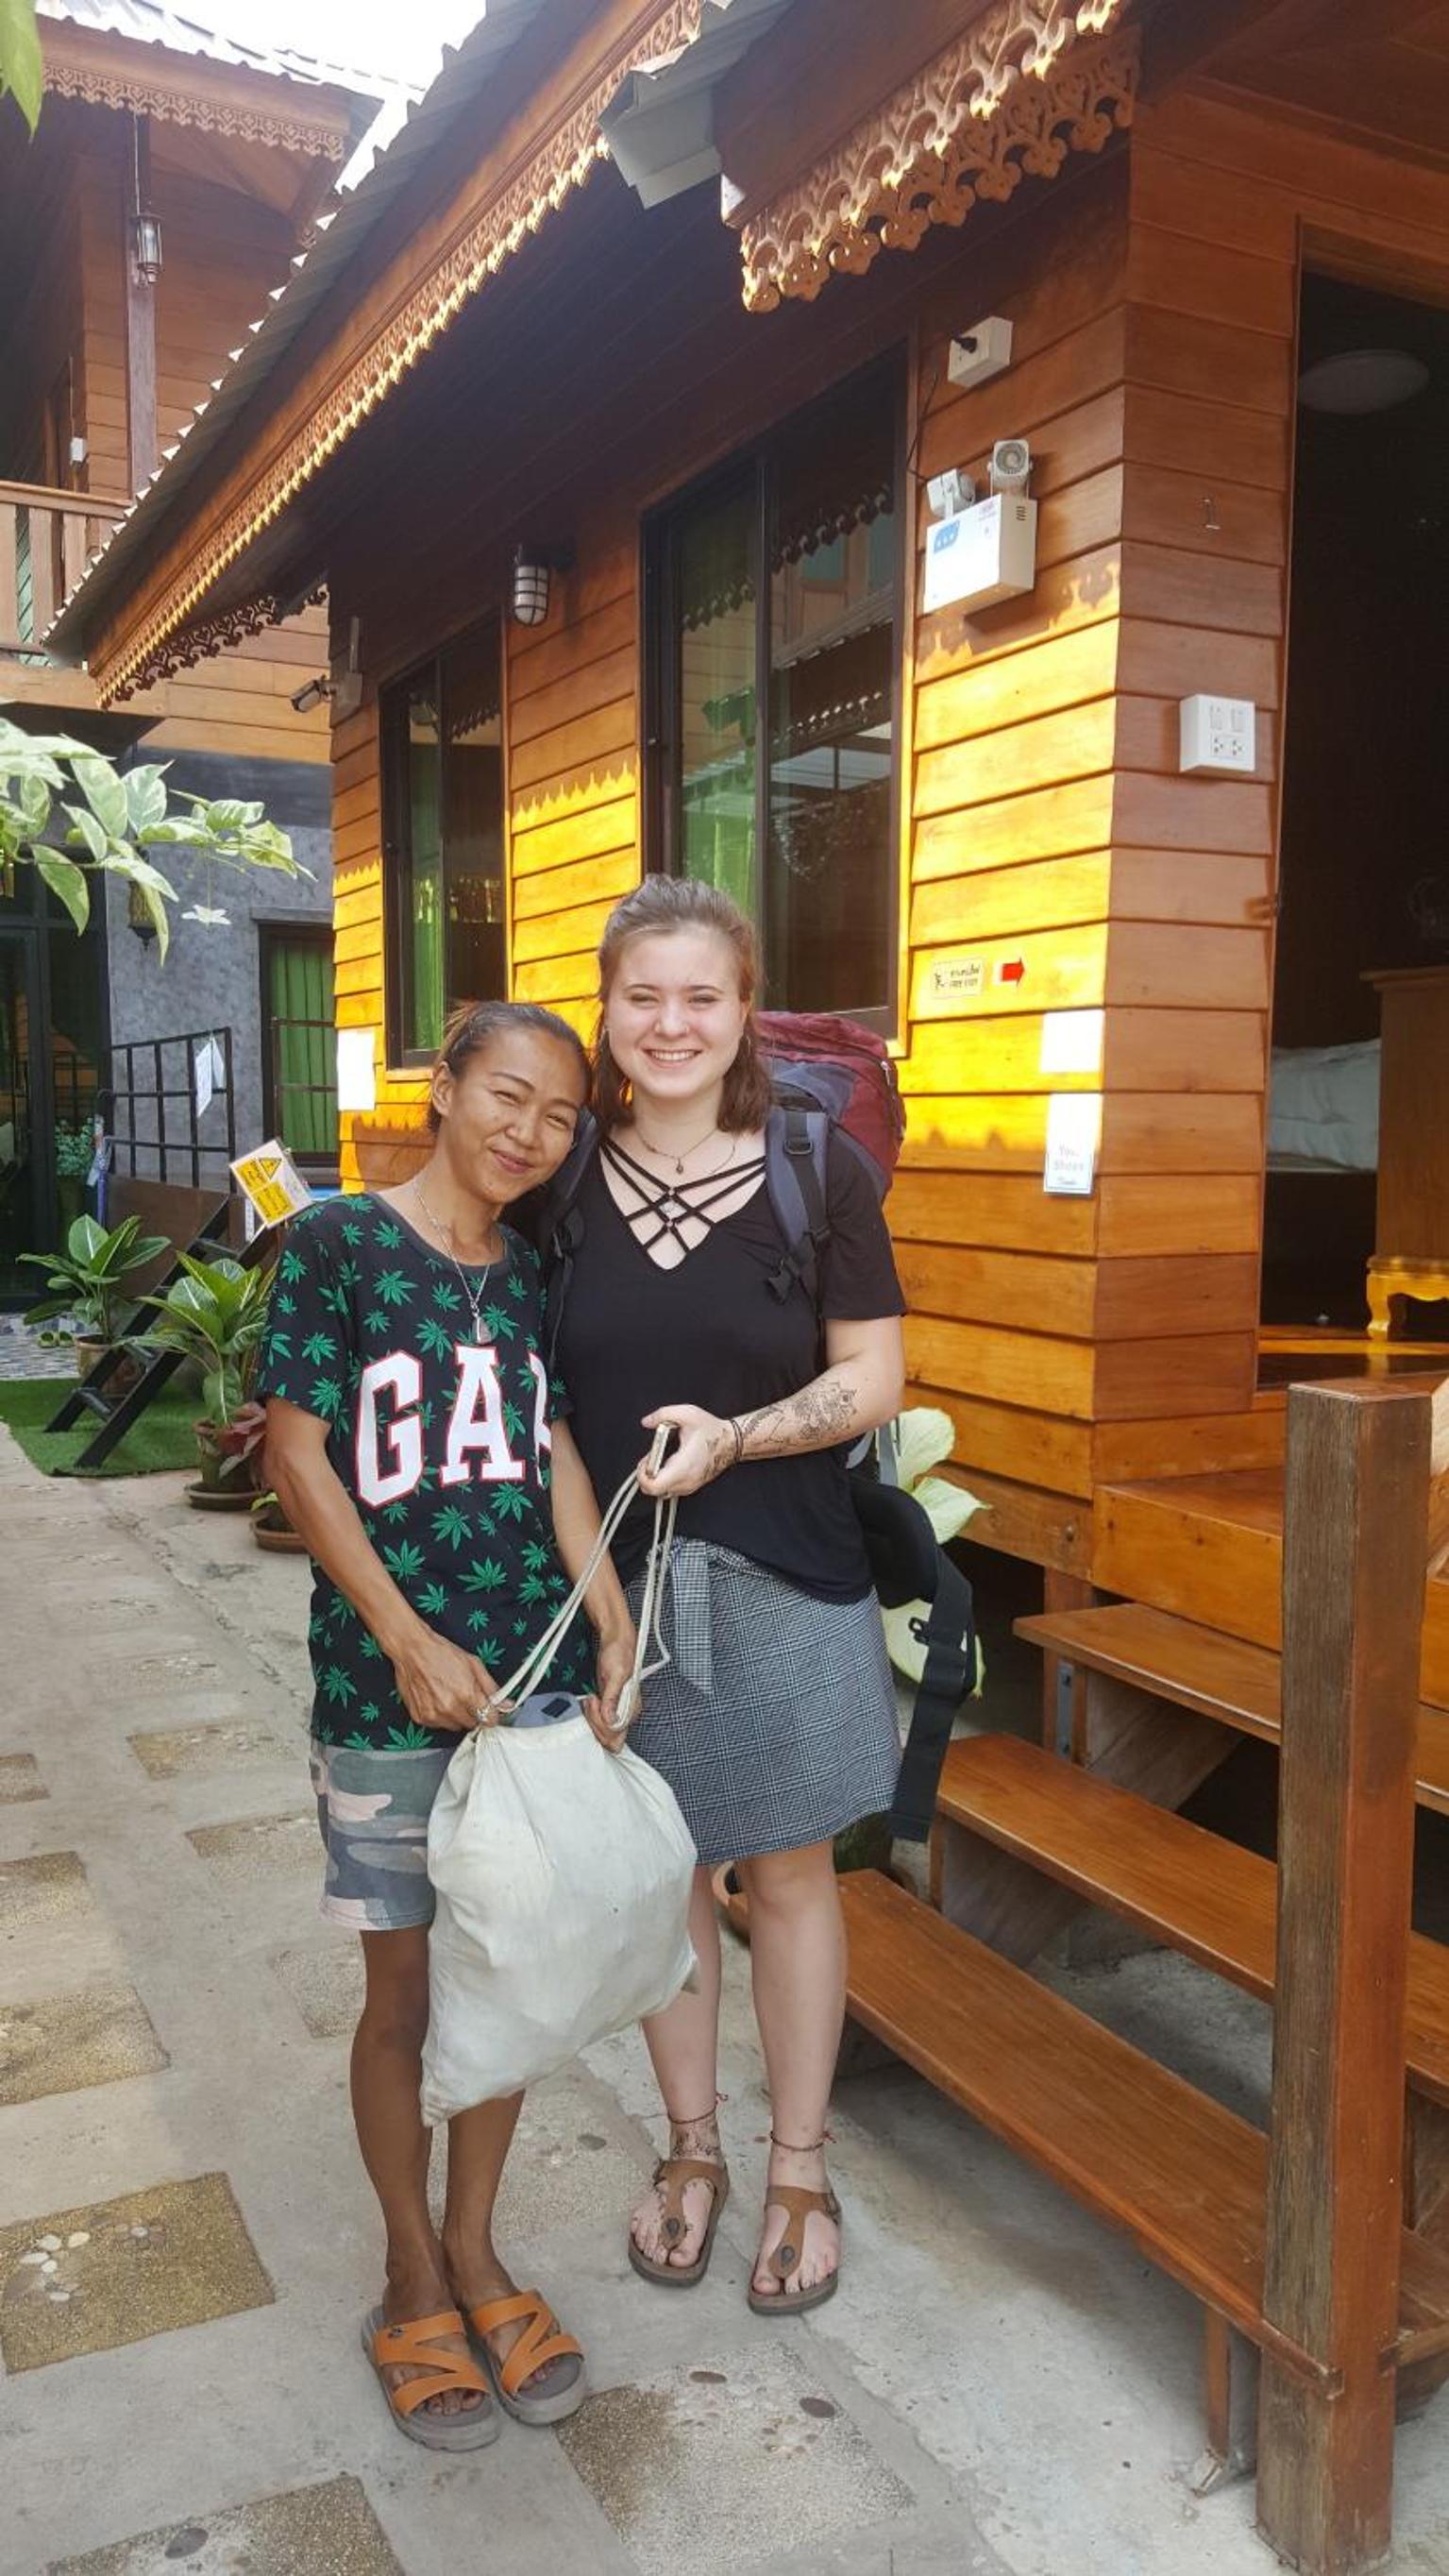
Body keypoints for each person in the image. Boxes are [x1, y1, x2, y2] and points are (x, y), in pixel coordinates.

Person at [257, 999, 634, 2451]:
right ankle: (409, 2272)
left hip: (529, 1688)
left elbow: (553, 1453)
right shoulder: (339, 1244)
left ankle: (478, 2252)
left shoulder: (530, 1272)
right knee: (405, 1997)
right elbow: (298, 1456)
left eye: (558, 1115)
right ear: (448, 1089)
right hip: (385, 1693)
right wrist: (405, 1637)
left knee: (508, 1979)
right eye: (507, 1095)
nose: (528, 1131)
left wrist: (609, 1617)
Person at [552, 875, 906, 2315]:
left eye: (702, 995)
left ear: (745, 1008)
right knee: (669, 1875)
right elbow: (539, 1402)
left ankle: (800, 2167)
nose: (672, 1023)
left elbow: (874, 1376)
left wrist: (739, 1437)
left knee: (792, 1874)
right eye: (643, 996)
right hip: (622, 1593)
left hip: (793, 1571)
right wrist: (592, 1602)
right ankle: (692, 2146)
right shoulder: (564, 1178)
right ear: (606, 1012)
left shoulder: (819, 1170)